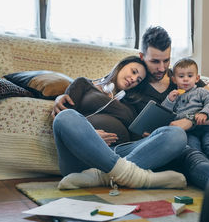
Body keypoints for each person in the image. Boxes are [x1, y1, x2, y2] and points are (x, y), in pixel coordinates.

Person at [53, 26, 209, 208]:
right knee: (188, 150)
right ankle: (137, 178)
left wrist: (189, 121)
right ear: (142, 57)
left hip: (192, 132)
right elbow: (82, 100)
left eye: (166, 61)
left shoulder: (181, 77)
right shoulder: (132, 89)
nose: (161, 68)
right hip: (156, 145)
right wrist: (65, 104)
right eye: (154, 62)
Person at [53, 55, 188, 190]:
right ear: (121, 66)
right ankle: (139, 178)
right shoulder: (83, 84)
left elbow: (134, 139)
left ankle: (103, 177)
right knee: (65, 116)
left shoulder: (131, 101)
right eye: (133, 72)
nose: (134, 79)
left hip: (120, 153)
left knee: (177, 134)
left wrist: (150, 137)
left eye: (138, 80)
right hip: (82, 156)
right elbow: (63, 121)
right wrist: (90, 135)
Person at [161, 57, 209, 165]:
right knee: (193, 148)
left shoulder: (200, 91)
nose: (185, 79)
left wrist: (204, 113)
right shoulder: (174, 95)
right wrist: (169, 100)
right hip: (188, 131)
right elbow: (164, 113)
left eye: (190, 76)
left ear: (197, 78)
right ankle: (203, 166)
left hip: (206, 127)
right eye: (181, 76)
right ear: (174, 79)